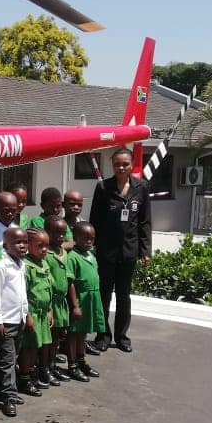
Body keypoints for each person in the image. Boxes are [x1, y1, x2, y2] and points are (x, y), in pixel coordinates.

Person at [89, 148, 150, 354]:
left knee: (124, 296)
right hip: (106, 252)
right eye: (117, 164)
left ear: (131, 164)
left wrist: (145, 250)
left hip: (129, 252)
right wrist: (91, 246)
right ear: (112, 165)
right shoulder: (103, 188)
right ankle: (103, 336)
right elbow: (94, 220)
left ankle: (122, 337)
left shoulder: (141, 187)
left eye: (125, 164)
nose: (121, 167)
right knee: (104, 295)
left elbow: (145, 222)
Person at [0, 227, 29, 417]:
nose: (22, 246)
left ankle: (6, 389)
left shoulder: (21, 264)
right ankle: (7, 397)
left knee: (12, 358)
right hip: (6, 322)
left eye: (25, 242)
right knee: (7, 360)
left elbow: (22, 293)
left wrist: (26, 314)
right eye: (17, 243)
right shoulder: (1, 267)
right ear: (6, 245)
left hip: (18, 319)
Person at [43, 216, 79, 383]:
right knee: (47, 339)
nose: (60, 236)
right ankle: (43, 368)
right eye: (56, 233)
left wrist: (74, 304)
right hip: (50, 304)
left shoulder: (64, 252)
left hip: (62, 303)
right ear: (47, 232)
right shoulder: (45, 253)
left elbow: (69, 279)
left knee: (57, 338)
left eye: (63, 233)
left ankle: (52, 365)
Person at [65, 222, 103, 381]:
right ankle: (72, 364)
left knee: (83, 332)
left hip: (92, 300)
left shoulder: (92, 256)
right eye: (85, 238)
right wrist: (75, 306)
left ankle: (82, 361)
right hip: (80, 299)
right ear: (75, 238)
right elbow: (71, 282)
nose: (89, 241)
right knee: (74, 333)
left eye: (92, 238)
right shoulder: (72, 256)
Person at [20, 228, 55, 394]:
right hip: (32, 314)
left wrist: (50, 310)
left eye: (47, 246)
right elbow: (23, 293)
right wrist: (27, 316)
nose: (44, 249)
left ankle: (34, 372)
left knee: (39, 346)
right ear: (28, 245)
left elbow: (49, 289)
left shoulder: (45, 263)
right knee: (29, 348)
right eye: (40, 245)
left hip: (43, 313)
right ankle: (25, 378)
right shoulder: (26, 266)